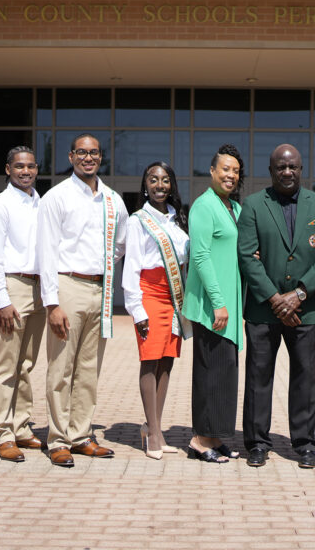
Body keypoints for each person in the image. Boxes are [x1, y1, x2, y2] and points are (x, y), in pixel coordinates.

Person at [237, 144, 315, 469]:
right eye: (280, 167)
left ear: (301, 169)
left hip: (305, 311)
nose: (287, 172)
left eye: (293, 166)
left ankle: (305, 443)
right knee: (258, 377)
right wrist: (275, 298)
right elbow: (247, 256)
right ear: (271, 170)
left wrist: (300, 293)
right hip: (263, 310)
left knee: (305, 377)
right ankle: (257, 443)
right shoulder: (253, 205)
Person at [38, 133, 128, 467]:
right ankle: (58, 439)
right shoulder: (56, 197)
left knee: (89, 368)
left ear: (101, 157)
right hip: (67, 287)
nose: (88, 158)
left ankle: (81, 433)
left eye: (93, 153)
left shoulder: (112, 199)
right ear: (71, 155)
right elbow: (46, 252)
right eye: (81, 152)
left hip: (100, 290)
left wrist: (102, 269)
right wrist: (52, 303)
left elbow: (120, 244)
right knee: (61, 367)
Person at [0, 146, 47, 463]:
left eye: (31, 166)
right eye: (19, 166)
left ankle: (21, 425)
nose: (25, 171)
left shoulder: (42, 203)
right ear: (8, 169)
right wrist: (2, 299)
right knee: (5, 366)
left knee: (26, 364)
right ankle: (2, 434)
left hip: (38, 288)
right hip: (12, 286)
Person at [123, 161, 190, 460]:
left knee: (166, 362)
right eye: (153, 179)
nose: (159, 185)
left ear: (172, 185)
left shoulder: (179, 220)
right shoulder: (138, 220)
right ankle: (153, 432)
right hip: (149, 294)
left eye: (165, 180)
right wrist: (136, 309)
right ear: (145, 185)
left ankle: (155, 427)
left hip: (174, 297)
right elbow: (132, 266)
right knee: (150, 360)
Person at [182, 144, 245, 464]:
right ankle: (199, 439)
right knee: (210, 373)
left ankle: (216, 436)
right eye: (225, 169)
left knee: (225, 374)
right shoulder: (204, 206)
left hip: (229, 309)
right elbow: (202, 256)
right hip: (212, 308)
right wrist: (218, 303)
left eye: (235, 170)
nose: (230, 175)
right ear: (212, 171)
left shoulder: (233, 208)